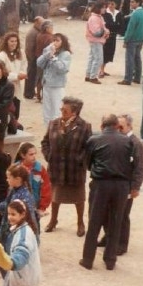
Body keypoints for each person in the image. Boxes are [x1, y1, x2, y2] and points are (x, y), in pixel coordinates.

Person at [79, 114, 141, 271]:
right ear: (116, 126)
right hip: (121, 186)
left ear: (102, 126)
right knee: (116, 221)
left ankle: (88, 259)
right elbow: (134, 164)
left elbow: (87, 163)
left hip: (101, 183)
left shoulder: (94, 140)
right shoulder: (129, 141)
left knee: (94, 221)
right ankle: (110, 260)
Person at [41, 96, 91, 237]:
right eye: (62, 108)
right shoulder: (53, 124)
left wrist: (80, 160)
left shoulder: (85, 127)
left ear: (74, 112)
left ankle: (80, 222)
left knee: (78, 198)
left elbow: (89, 147)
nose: (61, 111)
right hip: (57, 167)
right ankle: (53, 220)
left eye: (65, 109)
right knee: (55, 196)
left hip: (74, 169)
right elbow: (45, 142)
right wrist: (48, 155)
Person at [13, 142, 52, 229]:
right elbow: (10, 188)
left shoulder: (40, 169)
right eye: (31, 154)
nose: (34, 156)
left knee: (34, 230)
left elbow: (46, 188)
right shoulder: (15, 169)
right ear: (23, 155)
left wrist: (42, 207)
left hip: (35, 208)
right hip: (18, 207)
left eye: (35, 154)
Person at [36, 32, 72, 125]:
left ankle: (57, 129)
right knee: (47, 110)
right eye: (53, 40)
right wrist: (47, 55)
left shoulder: (66, 54)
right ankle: (47, 129)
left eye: (57, 40)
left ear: (62, 42)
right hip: (46, 84)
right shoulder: (48, 50)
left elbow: (62, 69)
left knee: (57, 109)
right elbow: (39, 63)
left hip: (57, 85)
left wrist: (53, 57)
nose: (55, 42)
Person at [0, 164, 37, 244]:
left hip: (16, 229)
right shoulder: (14, 190)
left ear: (17, 179)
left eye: (9, 178)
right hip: (10, 226)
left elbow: (27, 216)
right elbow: (7, 202)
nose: (7, 180)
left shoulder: (24, 196)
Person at [119, 0, 143, 85]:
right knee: (137, 58)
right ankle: (137, 77)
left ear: (138, 3)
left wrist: (126, 40)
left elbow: (130, 28)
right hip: (141, 38)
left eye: (133, 2)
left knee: (130, 59)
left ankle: (127, 78)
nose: (131, 4)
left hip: (132, 39)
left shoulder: (135, 14)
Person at [83, 2, 109, 84]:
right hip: (96, 40)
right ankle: (93, 76)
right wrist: (106, 32)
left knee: (92, 58)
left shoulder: (98, 17)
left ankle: (88, 75)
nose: (105, 9)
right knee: (98, 59)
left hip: (94, 40)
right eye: (103, 7)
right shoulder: (95, 18)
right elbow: (97, 32)